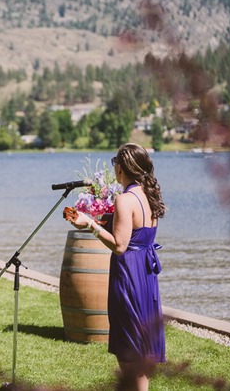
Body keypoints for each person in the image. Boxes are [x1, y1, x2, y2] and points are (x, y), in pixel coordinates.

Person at [64, 143, 166, 391]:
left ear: (120, 168)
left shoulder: (124, 199)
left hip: (128, 275)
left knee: (129, 349)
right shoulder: (148, 196)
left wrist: (90, 224)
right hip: (146, 274)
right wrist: (105, 221)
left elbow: (120, 246)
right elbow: (136, 233)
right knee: (141, 347)